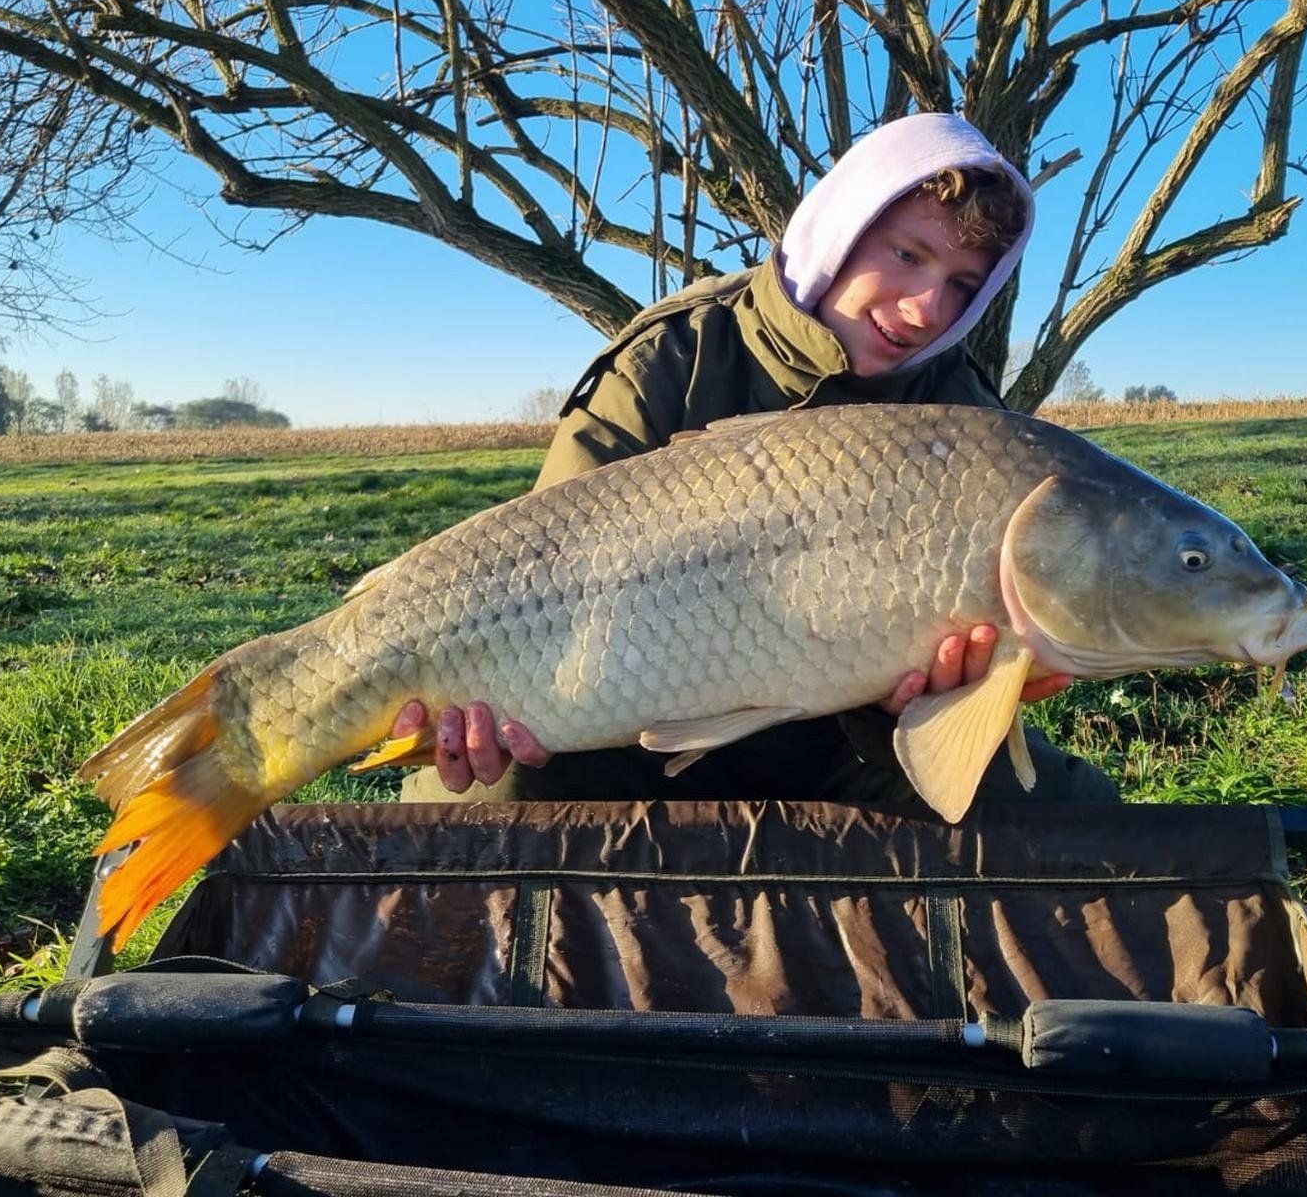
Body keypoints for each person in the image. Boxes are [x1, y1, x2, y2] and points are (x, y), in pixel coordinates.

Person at [396, 112, 1118, 808]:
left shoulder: (967, 419)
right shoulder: (674, 353)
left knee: (1070, 813)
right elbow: (539, 577)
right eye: (907, 255)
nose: (928, 308)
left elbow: (953, 699)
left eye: (963, 284)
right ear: (841, 230)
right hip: (623, 732)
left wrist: (936, 697)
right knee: (488, 793)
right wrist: (490, 713)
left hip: (844, 746)